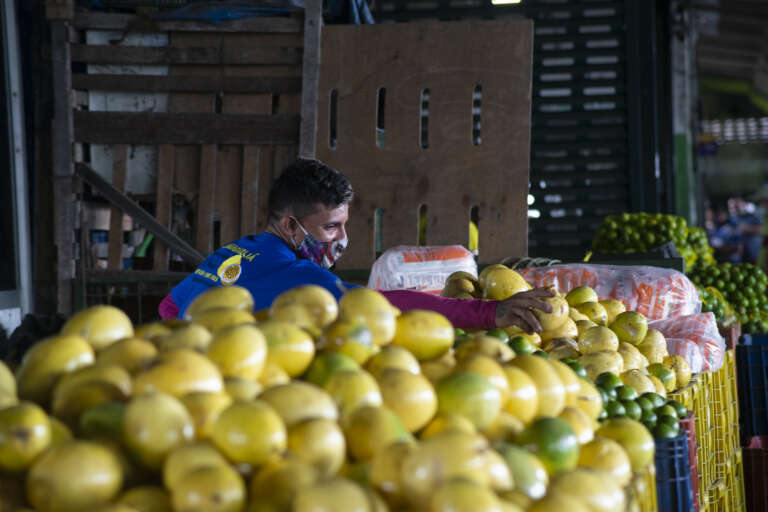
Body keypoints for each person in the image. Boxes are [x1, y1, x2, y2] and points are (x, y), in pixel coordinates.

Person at [159, 159, 553, 333]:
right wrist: (488, 313)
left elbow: (169, 306)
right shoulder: (296, 275)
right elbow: (382, 304)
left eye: (344, 225)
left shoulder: (235, 251)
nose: (341, 240)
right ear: (289, 225)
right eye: (330, 228)